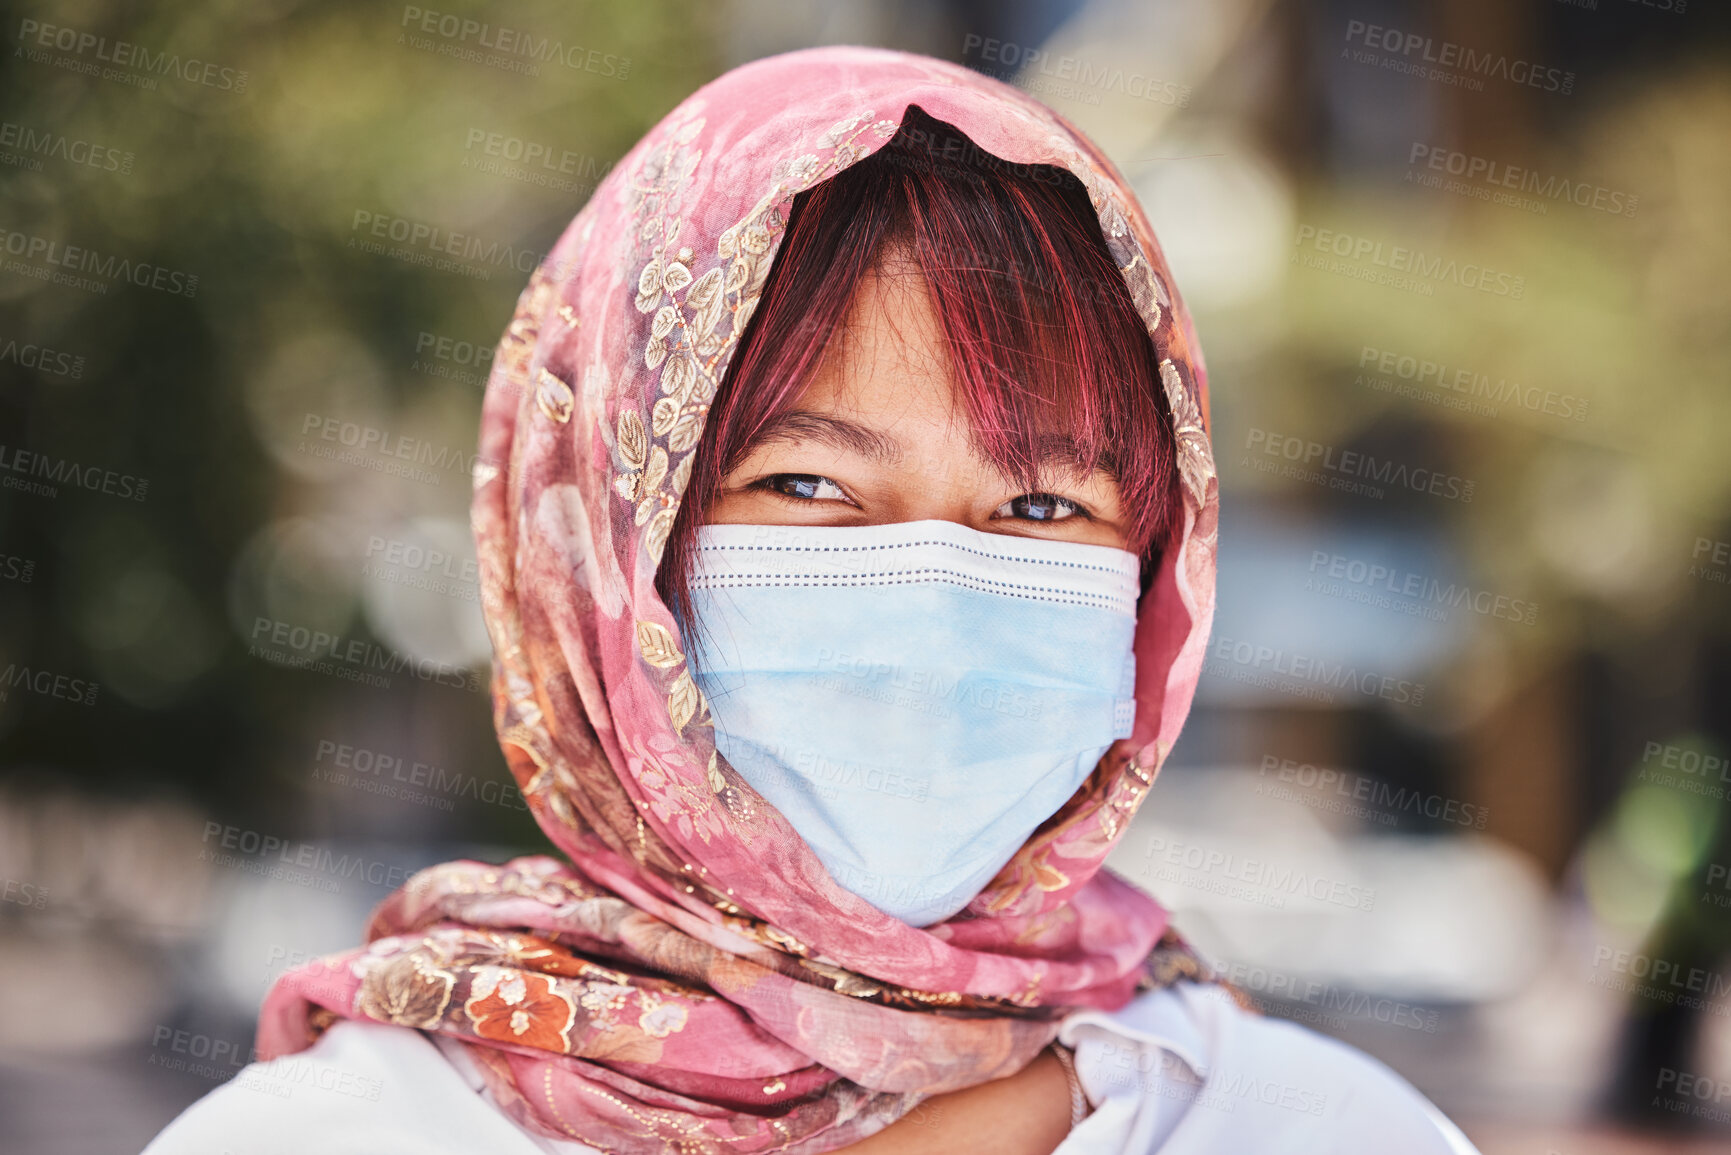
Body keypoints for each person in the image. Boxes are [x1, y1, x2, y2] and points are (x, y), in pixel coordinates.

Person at [143, 46, 1479, 1154]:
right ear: (608, 552)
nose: (937, 604)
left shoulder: (1310, 1131)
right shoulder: (341, 1136)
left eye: (1039, 508)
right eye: (811, 486)